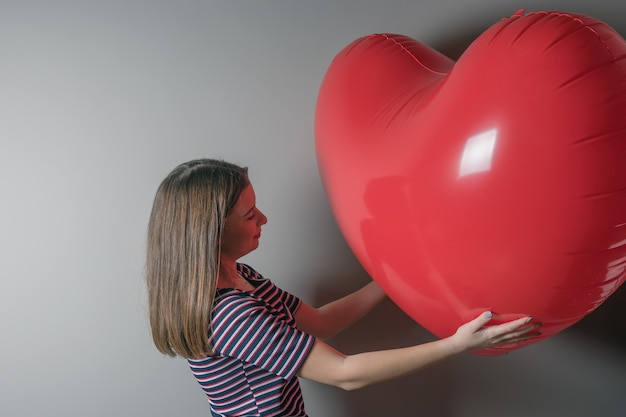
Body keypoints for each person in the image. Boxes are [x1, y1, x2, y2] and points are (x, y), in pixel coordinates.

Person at [145, 158, 541, 417]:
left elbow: (318, 321)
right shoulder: (231, 316)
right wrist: (458, 345)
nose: (263, 218)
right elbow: (345, 373)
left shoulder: (244, 277)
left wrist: (389, 279)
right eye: (250, 215)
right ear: (212, 235)